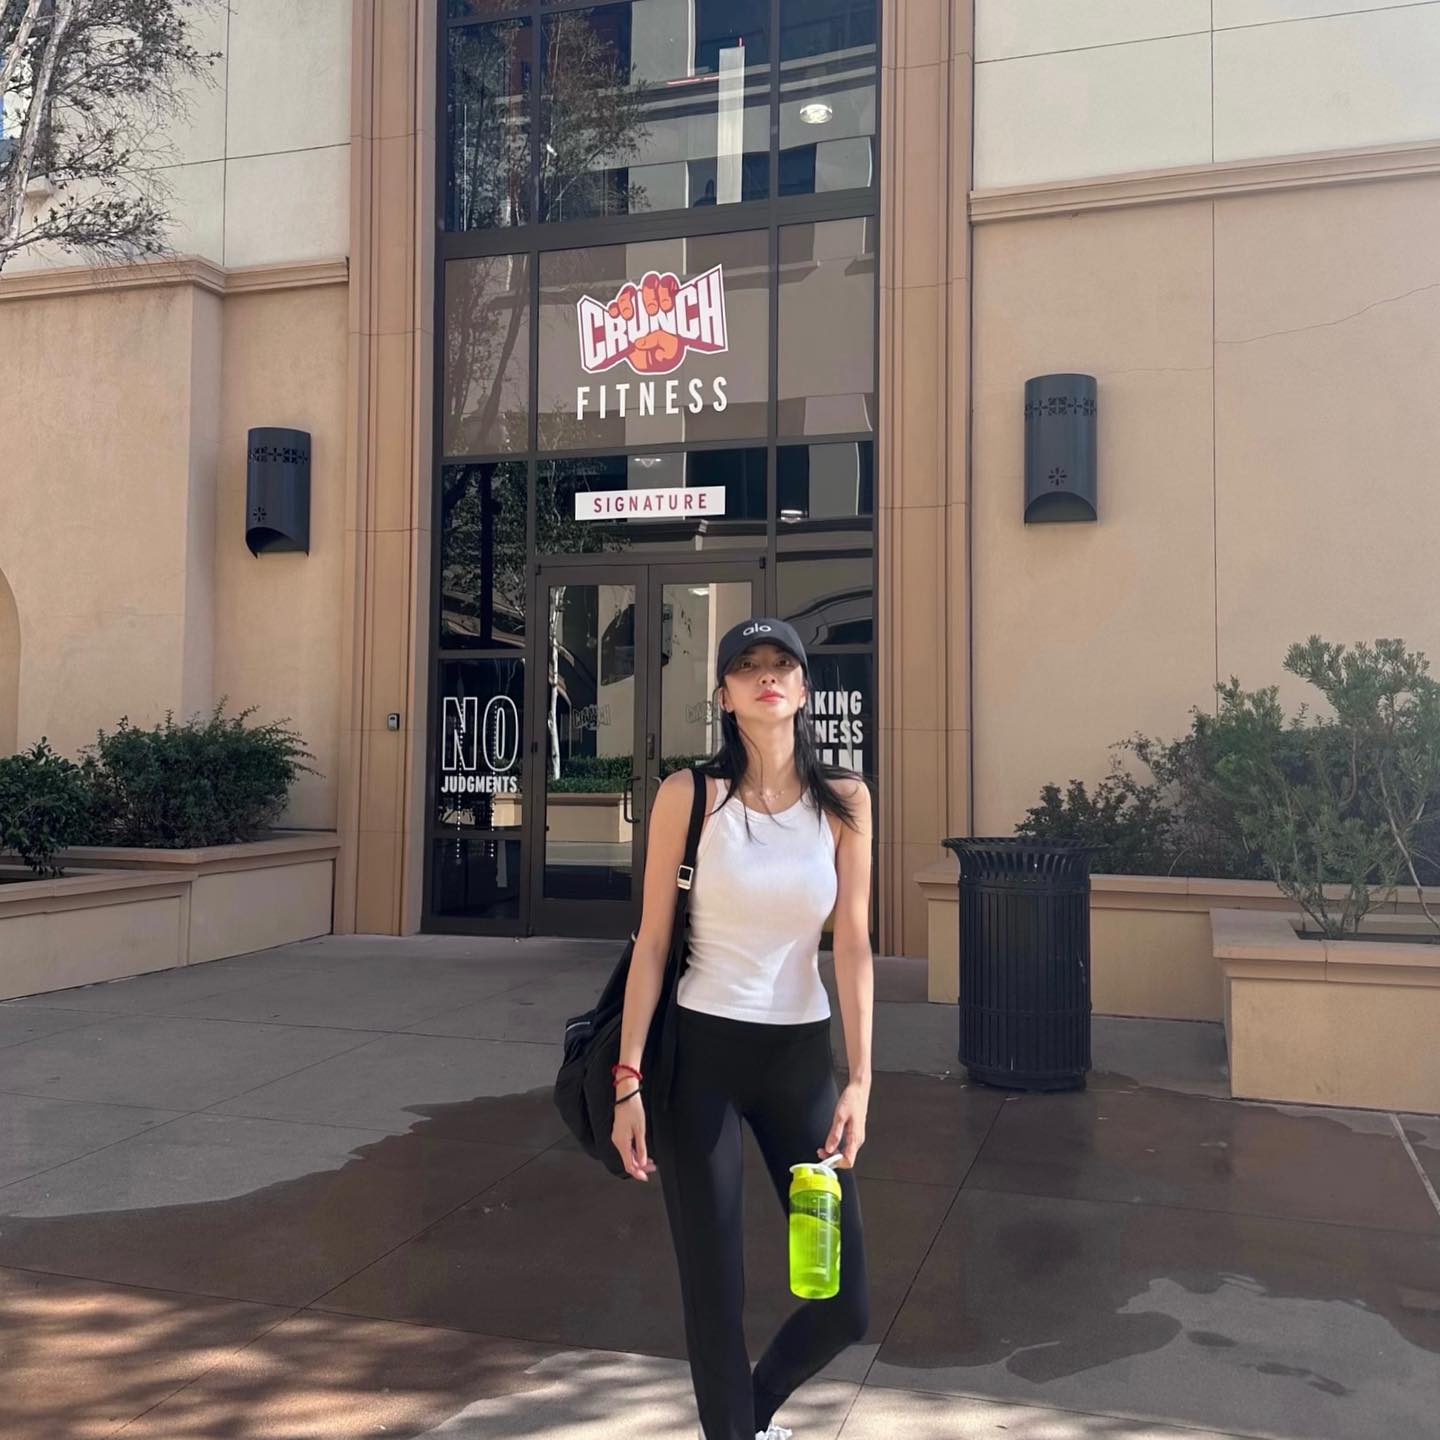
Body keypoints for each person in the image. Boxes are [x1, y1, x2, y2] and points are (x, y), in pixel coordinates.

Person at [610, 617, 874, 1440]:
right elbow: (653, 944)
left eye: (782, 664)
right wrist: (628, 1080)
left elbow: (854, 943)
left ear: (803, 689)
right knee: (715, 1293)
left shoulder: (845, 801)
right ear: (723, 695)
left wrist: (861, 1080)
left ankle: (746, 1420)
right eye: (747, 666)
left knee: (844, 1303)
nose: (766, 676)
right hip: (702, 1062)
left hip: (800, 1061)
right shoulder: (689, 796)